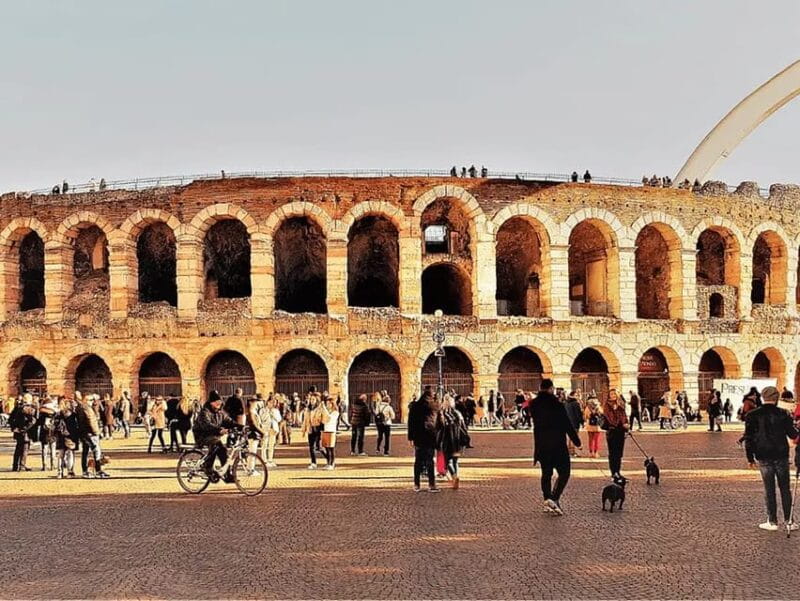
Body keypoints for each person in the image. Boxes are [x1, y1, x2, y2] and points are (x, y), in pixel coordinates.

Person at [741, 386, 800, 531]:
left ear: (763, 396)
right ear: (776, 397)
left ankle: (772, 521)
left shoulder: (752, 415)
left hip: (763, 455)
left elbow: (749, 438)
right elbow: (793, 435)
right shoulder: (783, 413)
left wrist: (750, 458)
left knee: (769, 489)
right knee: (785, 488)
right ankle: (789, 520)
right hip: (781, 455)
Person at [531, 379, 581, 515]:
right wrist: (576, 441)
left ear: (540, 388)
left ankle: (547, 499)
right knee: (564, 473)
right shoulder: (557, 404)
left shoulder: (534, 404)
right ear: (551, 388)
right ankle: (554, 498)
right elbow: (566, 423)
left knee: (546, 474)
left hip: (541, 444)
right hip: (557, 444)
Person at [192, 390, 239, 480]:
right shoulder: (204, 412)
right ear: (211, 403)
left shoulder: (220, 412)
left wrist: (241, 426)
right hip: (202, 436)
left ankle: (227, 474)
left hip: (214, 436)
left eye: (220, 402)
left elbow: (229, 421)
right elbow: (207, 425)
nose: (219, 404)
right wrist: (220, 430)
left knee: (223, 451)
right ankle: (207, 467)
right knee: (216, 445)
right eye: (216, 402)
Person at [407, 386, 441, 493]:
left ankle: (417, 484)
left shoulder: (415, 406)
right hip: (431, 435)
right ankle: (432, 484)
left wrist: (410, 437)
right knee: (430, 460)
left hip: (418, 436)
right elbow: (441, 422)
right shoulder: (435, 406)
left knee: (418, 460)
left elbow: (410, 422)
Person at [437, 396, 469, 489]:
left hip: (447, 440)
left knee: (448, 461)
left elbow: (439, 428)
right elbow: (463, 427)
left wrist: (438, 441)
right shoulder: (458, 414)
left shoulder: (443, 414)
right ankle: (456, 477)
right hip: (458, 440)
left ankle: (454, 477)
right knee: (455, 460)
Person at [76, 393, 108, 478]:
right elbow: (91, 421)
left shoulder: (80, 408)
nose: (93, 402)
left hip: (83, 432)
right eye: (91, 400)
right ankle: (98, 470)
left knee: (85, 452)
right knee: (96, 450)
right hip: (90, 433)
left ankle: (85, 471)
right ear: (88, 401)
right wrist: (97, 432)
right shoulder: (87, 408)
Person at [603, 390, 629, 477]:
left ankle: (618, 471)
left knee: (619, 453)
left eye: (614, 394)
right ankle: (613, 472)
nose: (613, 395)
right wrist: (615, 410)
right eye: (611, 394)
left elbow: (624, 416)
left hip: (621, 431)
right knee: (613, 453)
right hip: (612, 431)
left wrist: (626, 425)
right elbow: (610, 418)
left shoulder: (621, 404)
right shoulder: (607, 405)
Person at [53, 399, 79, 478]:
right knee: (70, 454)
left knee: (61, 455)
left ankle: (59, 473)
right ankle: (70, 472)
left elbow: (54, 425)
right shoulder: (73, 415)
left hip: (60, 435)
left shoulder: (58, 414)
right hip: (70, 435)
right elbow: (76, 425)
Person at [10, 398, 36, 472]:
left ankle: (15, 466)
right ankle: (22, 465)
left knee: (18, 448)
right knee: (25, 449)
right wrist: (24, 429)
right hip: (25, 433)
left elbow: (10, 419)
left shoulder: (16, 409)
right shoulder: (28, 409)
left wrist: (14, 428)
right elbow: (32, 421)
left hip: (18, 431)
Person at [301, 393, 324, 469]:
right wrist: (303, 430)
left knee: (319, 447)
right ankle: (313, 462)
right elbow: (305, 420)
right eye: (311, 399)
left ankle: (329, 459)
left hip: (318, 429)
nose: (311, 401)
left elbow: (325, 418)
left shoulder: (320, 408)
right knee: (311, 447)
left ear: (317, 400)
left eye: (313, 399)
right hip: (311, 429)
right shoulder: (308, 409)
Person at [319, 395, 339, 470]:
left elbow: (329, 418)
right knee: (326, 448)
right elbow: (323, 420)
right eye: (326, 404)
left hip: (331, 430)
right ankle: (328, 462)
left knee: (331, 448)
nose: (327, 405)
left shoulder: (335, 412)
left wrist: (324, 409)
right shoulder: (327, 412)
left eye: (328, 404)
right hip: (325, 430)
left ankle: (332, 463)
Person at [38, 396, 58, 471]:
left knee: (44, 449)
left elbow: (38, 422)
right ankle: (53, 465)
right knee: (53, 449)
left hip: (44, 432)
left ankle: (44, 465)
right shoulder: (55, 412)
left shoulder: (41, 412)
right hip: (53, 432)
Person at [564, 392, 583, 457]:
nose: (577, 396)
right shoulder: (575, 403)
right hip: (575, 423)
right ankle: (572, 452)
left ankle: (569, 451)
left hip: (567, 422)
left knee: (570, 437)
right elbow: (578, 414)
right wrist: (581, 422)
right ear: (572, 396)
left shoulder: (566, 403)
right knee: (574, 437)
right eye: (576, 395)